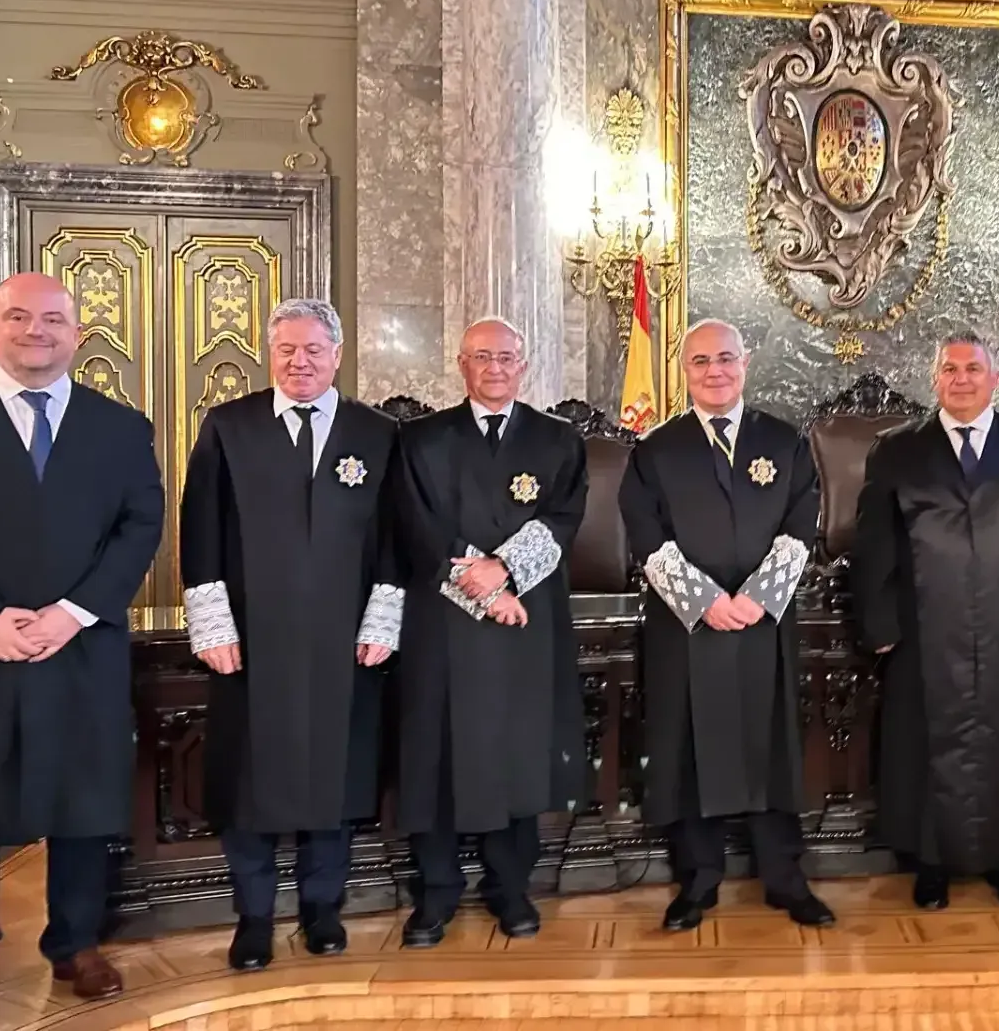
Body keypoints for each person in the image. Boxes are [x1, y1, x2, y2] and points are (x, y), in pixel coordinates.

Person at [0, 273, 163, 1031]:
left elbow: (140, 526)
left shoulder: (120, 426)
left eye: (52, 319)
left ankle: (75, 944)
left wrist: (73, 613)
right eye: (19, 316)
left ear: (77, 334)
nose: (35, 331)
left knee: (81, 804)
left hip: (79, 645)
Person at [179, 297, 403, 972]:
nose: (300, 361)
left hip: (346, 640)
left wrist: (385, 614)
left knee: (333, 777)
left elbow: (396, 535)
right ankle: (253, 917)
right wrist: (211, 621)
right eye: (287, 350)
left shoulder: (379, 432)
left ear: (337, 354)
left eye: (313, 350)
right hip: (250, 639)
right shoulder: (229, 426)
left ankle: (322, 909)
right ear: (269, 354)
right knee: (251, 779)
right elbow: (200, 527)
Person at [851, 331, 999, 912]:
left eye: (973, 369)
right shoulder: (896, 449)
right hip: (925, 629)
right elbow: (874, 543)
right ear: (934, 379)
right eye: (950, 369)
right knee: (927, 743)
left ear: (995, 378)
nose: (961, 379)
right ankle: (931, 863)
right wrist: (877, 622)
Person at [618, 319, 835, 933]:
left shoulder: (785, 441)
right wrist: (705, 600)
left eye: (725, 359)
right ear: (683, 371)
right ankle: (697, 882)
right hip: (687, 628)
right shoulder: (656, 449)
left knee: (769, 749)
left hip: (763, 625)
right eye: (700, 361)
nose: (714, 371)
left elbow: (801, 525)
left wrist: (759, 597)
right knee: (690, 749)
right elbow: (646, 535)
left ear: (746, 364)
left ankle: (785, 880)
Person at [391, 319, 586, 947]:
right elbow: (416, 526)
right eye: (482, 357)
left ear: (523, 365)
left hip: (526, 625)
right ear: (461, 364)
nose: (495, 367)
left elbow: (563, 518)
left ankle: (510, 887)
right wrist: (483, 588)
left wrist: (504, 575)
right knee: (438, 757)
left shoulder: (558, 440)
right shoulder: (419, 440)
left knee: (516, 755)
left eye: (506, 357)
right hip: (443, 627)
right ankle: (436, 893)